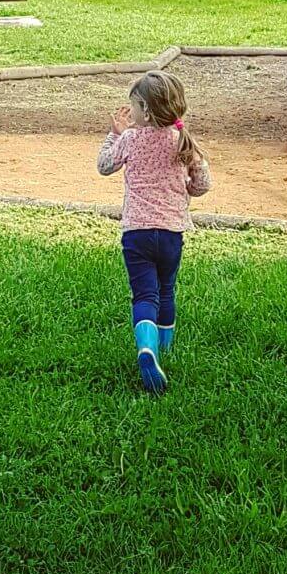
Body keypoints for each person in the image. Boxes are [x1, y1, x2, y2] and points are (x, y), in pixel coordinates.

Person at [97, 69, 211, 394]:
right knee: (167, 289)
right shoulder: (183, 141)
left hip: (137, 234)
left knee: (144, 295)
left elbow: (104, 165)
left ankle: (147, 350)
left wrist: (114, 135)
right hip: (172, 233)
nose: (129, 112)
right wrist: (186, 188)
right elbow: (202, 183)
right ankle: (165, 348)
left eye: (133, 106)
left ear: (145, 110)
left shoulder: (130, 139)